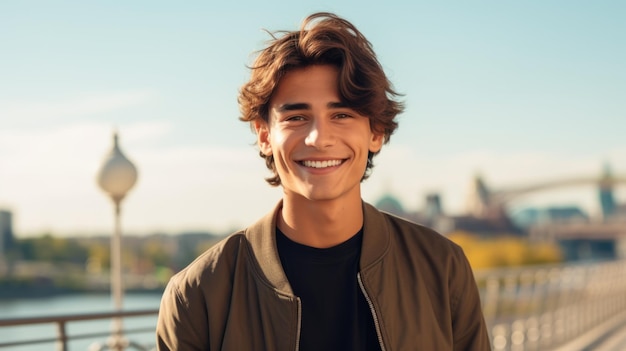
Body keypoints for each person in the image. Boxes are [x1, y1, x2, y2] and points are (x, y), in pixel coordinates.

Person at [156, 12, 491, 351]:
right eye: (297, 117)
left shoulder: (441, 268)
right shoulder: (198, 295)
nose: (319, 137)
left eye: (341, 115)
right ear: (264, 135)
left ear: (376, 132)